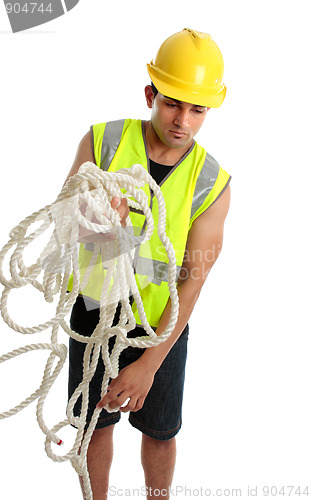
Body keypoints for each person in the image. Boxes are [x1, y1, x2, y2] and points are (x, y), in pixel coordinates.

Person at [65, 28, 231, 500]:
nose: (183, 120)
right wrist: (100, 223)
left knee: (160, 432)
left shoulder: (211, 182)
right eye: (172, 103)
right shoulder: (103, 142)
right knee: (95, 424)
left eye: (197, 109)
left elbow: (192, 280)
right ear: (151, 94)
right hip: (95, 313)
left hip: (162, 323)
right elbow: (65, 227)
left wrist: (149, 366)